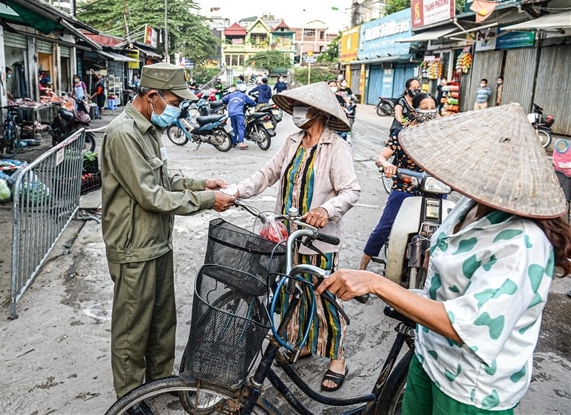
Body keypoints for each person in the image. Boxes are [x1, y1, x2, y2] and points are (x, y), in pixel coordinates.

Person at [317, 103, 571, 414]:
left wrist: (376, 283)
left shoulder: (522, 243)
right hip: (429, 358)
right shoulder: (467, 207)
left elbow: (468, 326)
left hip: (471, 390)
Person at [99, 61, 236, 401]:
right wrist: (207, 200)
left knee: (162, 326)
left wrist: (202, 183)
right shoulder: (123, 134)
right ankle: (131, 400)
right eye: (175, 103)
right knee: (132, 332)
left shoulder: (148, 130)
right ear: (153, 96)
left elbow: (165, 179)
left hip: (157, 243)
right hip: (134, 248)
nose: (177, 110)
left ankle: (160, 386)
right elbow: (151, 195)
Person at [234, 81, 361, 392]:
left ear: (317, 112)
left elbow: (351, 190)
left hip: (319, 239)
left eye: (302, 107)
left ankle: (337, 358)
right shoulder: (292, 141)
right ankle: (302, 343)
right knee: (294, 291)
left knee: (323, 295)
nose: (297, 113)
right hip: (287, 235)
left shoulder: (337, 147)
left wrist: (326, 210)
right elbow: (267, 174)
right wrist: (235, 191)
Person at [358, 93, 438, 271]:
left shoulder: (439, 136)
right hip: (405, 186)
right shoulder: (402, 135)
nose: (429, 112)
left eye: (432, 108)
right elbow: (381, 157)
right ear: (414, 110)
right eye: (424, 108)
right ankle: (362, 266)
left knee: (445, 229)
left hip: (433, 190)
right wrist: (387, 165)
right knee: (385, 226)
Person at [222, 83, 256, 150]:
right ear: (244, 90)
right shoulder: (243, 96)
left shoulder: (231, 95)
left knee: (234, 127)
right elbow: (252, 102)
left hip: (231, 113)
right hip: (239, 113)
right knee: (241, 127)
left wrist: (228, 103)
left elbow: (223, 99)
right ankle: (241, 143)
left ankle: (233, 142)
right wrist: (253, 104)